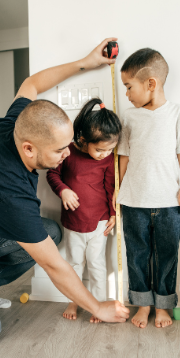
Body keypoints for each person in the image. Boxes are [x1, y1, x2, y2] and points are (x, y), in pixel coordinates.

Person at [0, 38, 131, 348]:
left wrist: (86, 62)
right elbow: (53, 265)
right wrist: (97, 307)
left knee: (50, 232)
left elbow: (31, 83)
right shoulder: (9, 192)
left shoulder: (16, 124)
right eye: (59, 150)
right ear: (29, 149)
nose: (67, 155)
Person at [117, 48, 180, 328]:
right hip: (133, 201)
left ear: (151, 83)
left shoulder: (178, 113)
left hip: (168, 202)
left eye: (129, 87)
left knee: (166, 256)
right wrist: (117, 192)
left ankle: (163, 305)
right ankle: (142, 304)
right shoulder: (128, 117)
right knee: (136, 254)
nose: (126, 94)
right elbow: (123, 156)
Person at [46, 98, 121, 322]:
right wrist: (63, 191)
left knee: (97, 263)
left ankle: (98, 304)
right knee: (75, 263)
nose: (105, 154)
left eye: (110, 149)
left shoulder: (108, 160)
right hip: (73, 223)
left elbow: (110, 188)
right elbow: (52, 174)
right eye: (100, 149)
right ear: (82, 139)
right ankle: (74, 300)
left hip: (99, 222)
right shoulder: (68, 152)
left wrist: (113, 214)